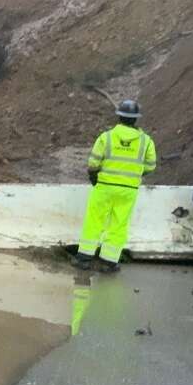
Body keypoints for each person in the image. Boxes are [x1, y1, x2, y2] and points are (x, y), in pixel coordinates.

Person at [75, 100, 157, 273]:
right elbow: (150, 166)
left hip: (104, 187)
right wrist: (134, 174)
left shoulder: (107, 137)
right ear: (136, 119)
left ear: (119, 116)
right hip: (128, 190)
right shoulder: (146, 141)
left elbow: (93, 162)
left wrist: (94, 175)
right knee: (119, 224)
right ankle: (109, 262)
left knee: (94, 220)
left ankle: (84, 259)